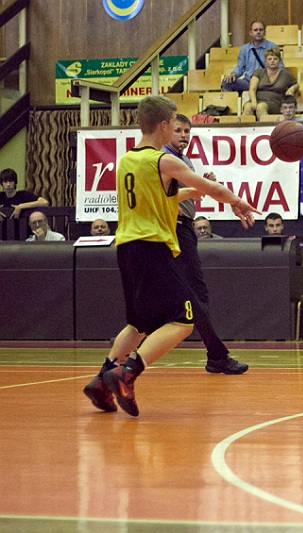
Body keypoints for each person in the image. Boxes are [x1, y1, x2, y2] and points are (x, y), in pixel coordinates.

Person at [82, 95, 259, 417]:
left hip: (127, 248)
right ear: (163, 126)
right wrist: (237, 201)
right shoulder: (162, 160)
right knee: (183, 320)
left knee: (139, 323)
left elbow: (166, 195)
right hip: (153, 247)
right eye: (174, 124)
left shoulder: (127, 160)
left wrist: (194, 192)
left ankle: (101, 381)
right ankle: (127, 372)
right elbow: (213, 189)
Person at [163, 114, 247, 375]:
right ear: (166, 131)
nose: (183, 135)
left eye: (187, 131)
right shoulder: (165, 158)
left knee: (181, 296)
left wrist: (202, 182)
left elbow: (183, 193)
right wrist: (202, 188)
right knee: (195, 294)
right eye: (178, 130)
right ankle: (217, 355)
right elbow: (161, 196)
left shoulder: (182, 159)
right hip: (173, 228)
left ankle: (125, 353)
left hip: (181, 227)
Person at [221, 20, 280, 94]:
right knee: (226, 82)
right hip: (248, 82)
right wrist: (233, 74)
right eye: (255, 30)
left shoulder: (272, 46)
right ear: (251, 33)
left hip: (266, 83)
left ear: (264, 32)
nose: (258, 32)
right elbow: (240, 67)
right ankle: (229, 102)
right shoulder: (244, 49)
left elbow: (280, 67)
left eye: (261, 30)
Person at [243, 48, 298, 120]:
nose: (272, 61)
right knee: (248, 108)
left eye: (275, 59)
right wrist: (253, 101)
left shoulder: (285, 74)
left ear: (279, 61)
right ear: (265, 61)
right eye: (269, 59)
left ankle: (266, 127)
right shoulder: (258, 72)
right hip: (256, 100)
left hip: (275, 103)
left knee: (261, 107)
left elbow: (296, 85)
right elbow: (252, 89)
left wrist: (292, 88)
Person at [0, 168, 49, 241]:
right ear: (2, 183)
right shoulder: (1, 196)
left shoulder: (23, 195)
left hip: (25, 235)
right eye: (5, 182)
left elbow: (44, 202)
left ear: (15, 182)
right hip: (3, 236)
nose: (8, 184)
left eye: (11, 181)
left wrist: (21, 206)